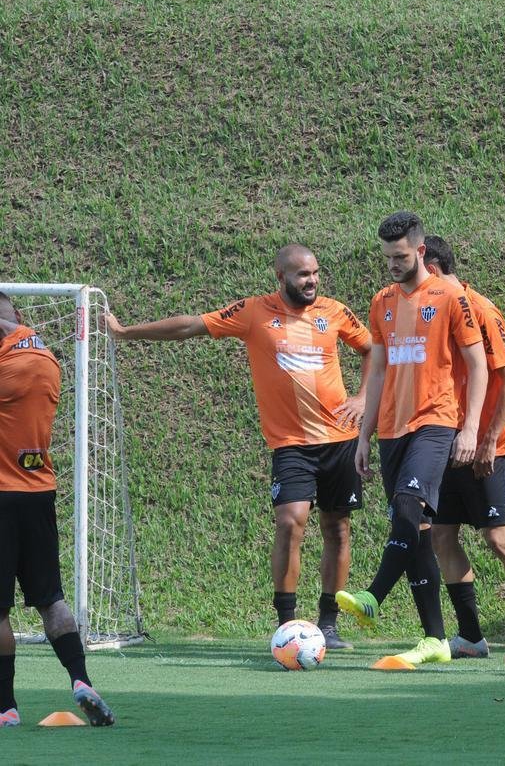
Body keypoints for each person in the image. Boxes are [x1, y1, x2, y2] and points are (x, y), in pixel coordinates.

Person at [107, 245, 371, 649]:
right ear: (280, 277)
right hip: (291, 444)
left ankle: (328, 625)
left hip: (340, 440)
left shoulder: (334, 311)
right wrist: (126, 332)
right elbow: (190, 327)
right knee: (290, 522)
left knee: (337, 528)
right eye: (302, 274)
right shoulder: (253, 312)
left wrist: (364, 397)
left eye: (315, 273)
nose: (312, 281)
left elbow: (371, 349)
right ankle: (287, 625)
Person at [336, 212, 488, 669]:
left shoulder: (450, 297)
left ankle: (373, 595)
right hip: (391, 430)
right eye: (387, 257)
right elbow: (378, 372)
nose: (393, 264)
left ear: (420, 251)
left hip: (435, 422)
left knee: (407, 505)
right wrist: (364, 435)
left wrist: (470, 428)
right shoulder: (381, 301)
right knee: (417, 531)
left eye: (400, 256)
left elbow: (477, 365)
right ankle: (435, 639)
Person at [420, 236, 505, 656]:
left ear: (432, 269)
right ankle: (472, 636)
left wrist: (487, 439)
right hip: (446, 440)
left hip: (486, 444)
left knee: (499, 539)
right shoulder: (429, 309)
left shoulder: (480, 309)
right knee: (442, 536)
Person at [0, 292, 114, 727]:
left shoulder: (6, 366)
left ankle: (6, 708)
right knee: (51, 600)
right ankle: (81, 680)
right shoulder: (47, 359)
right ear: (19, 315)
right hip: (39, 493)